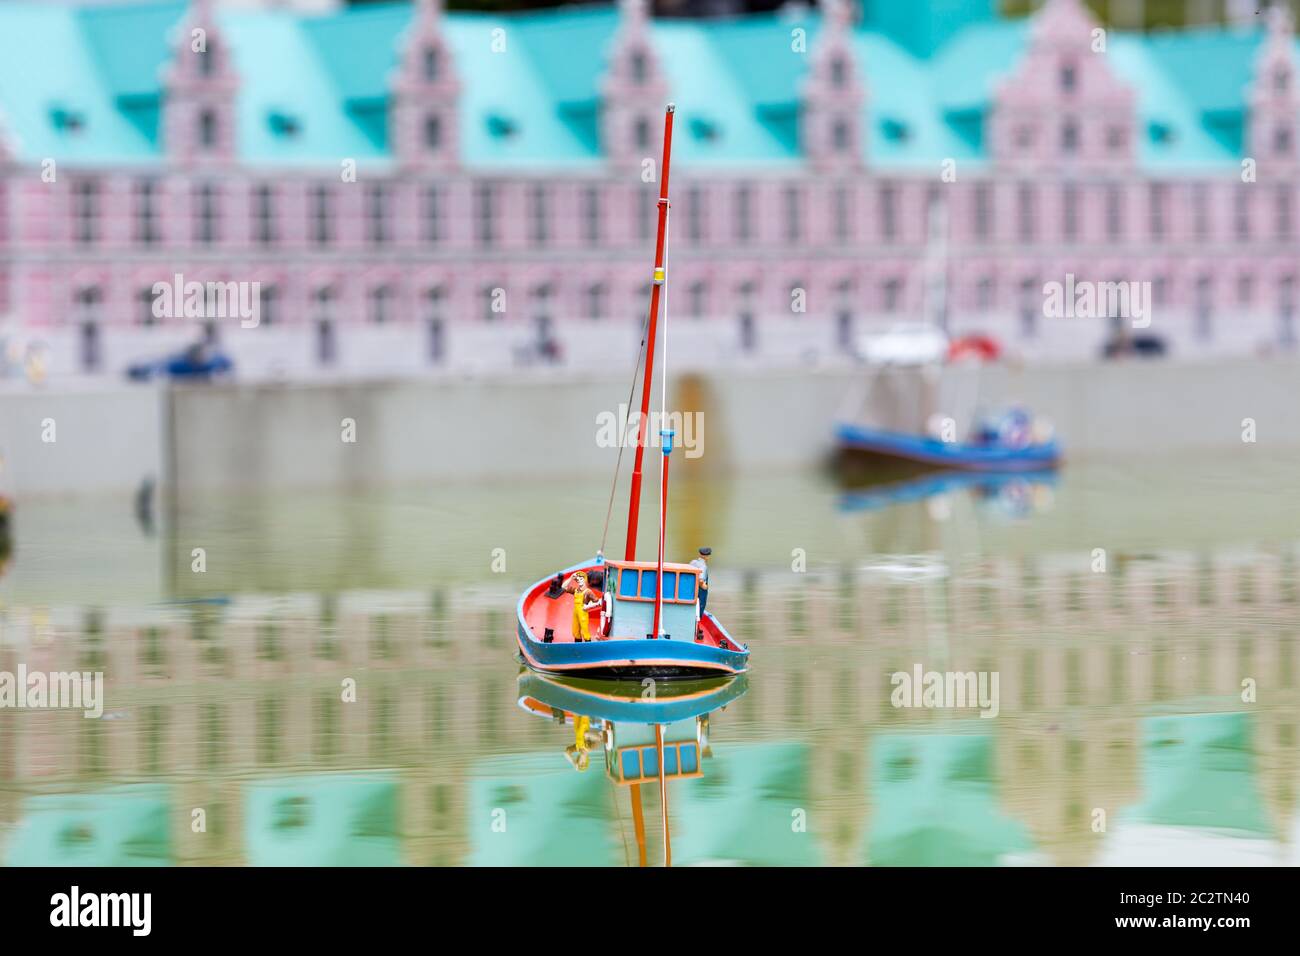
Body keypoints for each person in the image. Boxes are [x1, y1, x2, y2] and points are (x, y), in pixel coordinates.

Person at [563, 570, 601, 643]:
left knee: (584, 630)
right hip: (576, 612)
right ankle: (577, 644)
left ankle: (588, 644)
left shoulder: (588, 592)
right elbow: (564, 587)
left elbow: (598, 602)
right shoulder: (576, 591)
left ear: (585, 580)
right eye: (577, 580)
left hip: (583, 612)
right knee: (575, 630)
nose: (579, 581)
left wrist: (587, 606)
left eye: (581, 579)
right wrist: (571, 578)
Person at [689, 547, 711, 616]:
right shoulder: (703, 566)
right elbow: (701, 581)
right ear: (707, 556)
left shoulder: (693, 562)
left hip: (690, 590)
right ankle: (697, 624)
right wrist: (705, 587)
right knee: (699, 609)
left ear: (699, 554)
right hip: (699, 593)